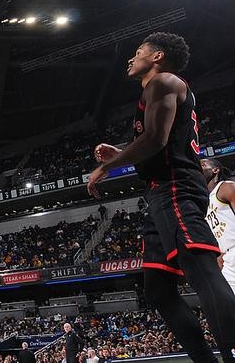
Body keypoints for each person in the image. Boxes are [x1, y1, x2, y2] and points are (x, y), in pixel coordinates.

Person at [88, 32, 235, 362]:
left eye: (139, 51)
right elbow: (159, 140)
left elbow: (156, 139)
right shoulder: (155, 91)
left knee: (201, 270)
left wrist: (109, 165)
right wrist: (122, 151)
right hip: (158, 192)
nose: (131, 57)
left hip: (175, 186)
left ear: (157, 56)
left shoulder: (163, 81)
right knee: (157, 289)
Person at [203, 158, 235, 291]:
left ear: (215, 170)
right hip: (227, 257)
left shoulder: (226, 187)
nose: (198, 167)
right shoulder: (203, 201)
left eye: (203, 164)